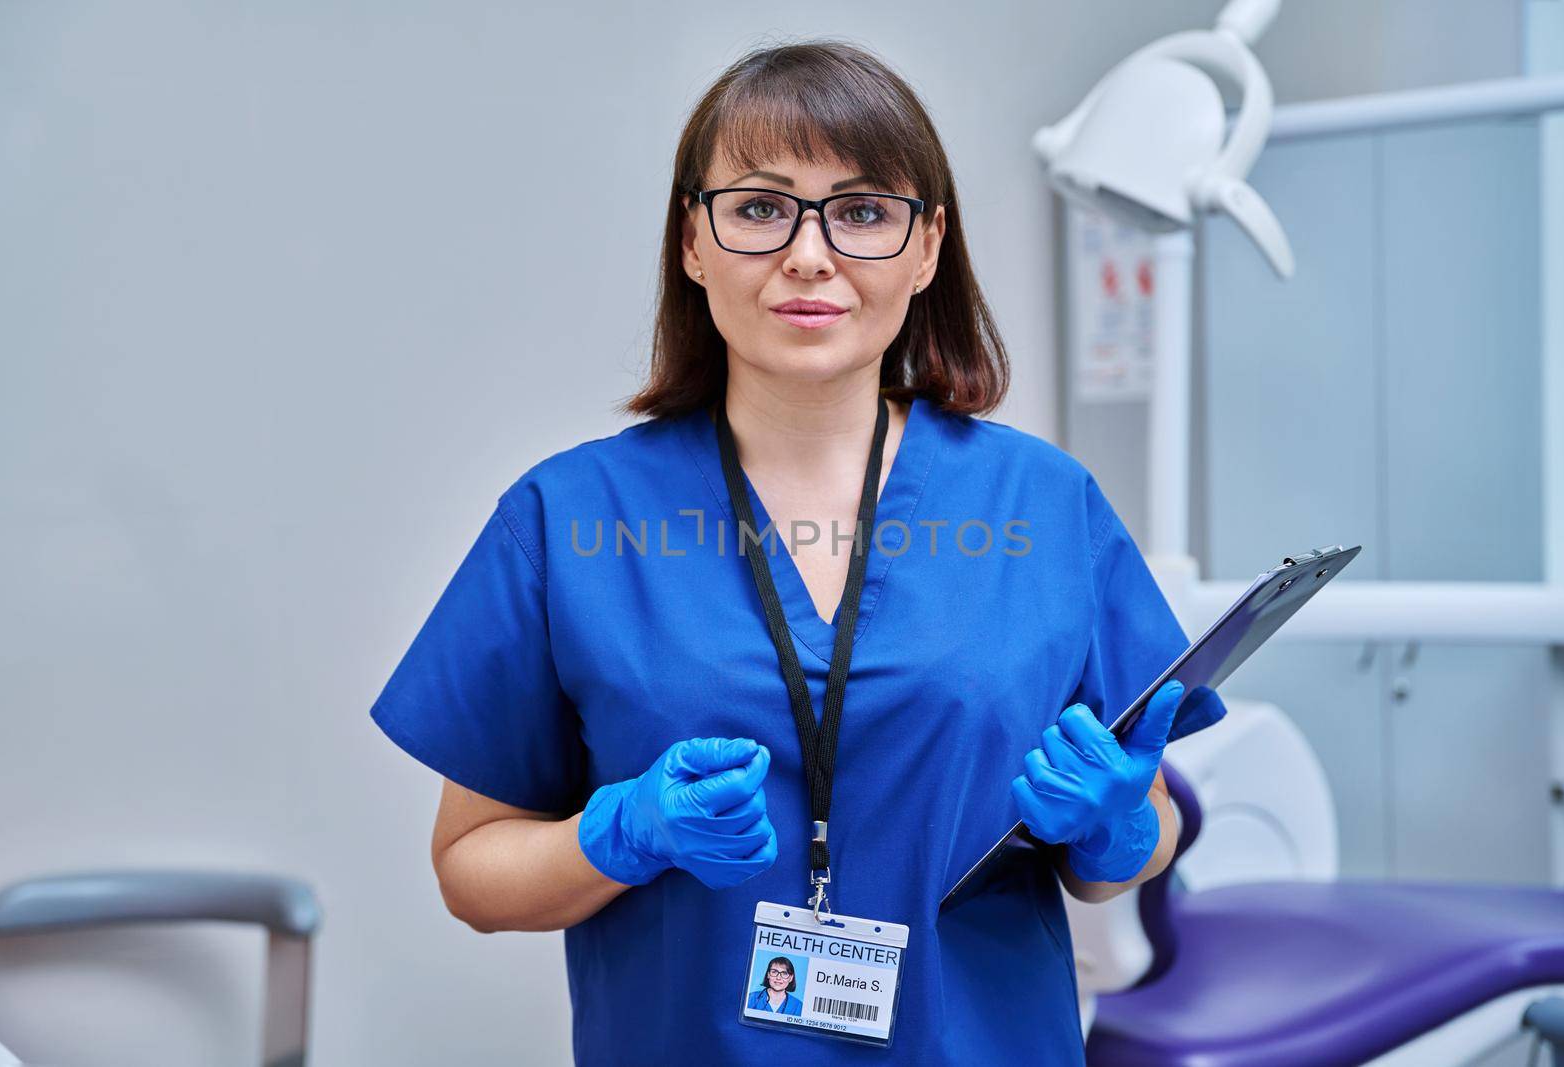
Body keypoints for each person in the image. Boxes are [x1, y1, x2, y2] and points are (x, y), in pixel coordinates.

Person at [369, 37, 1227, 1065]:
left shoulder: (1040, 503)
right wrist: (619, 831)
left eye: (862, 211)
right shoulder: (568, 517)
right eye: (760, 207)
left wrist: (1119, 826)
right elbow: (471, 869)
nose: (808, 254)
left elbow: (1139, 829)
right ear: (693, 239)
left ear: (926, 248)